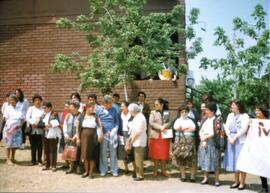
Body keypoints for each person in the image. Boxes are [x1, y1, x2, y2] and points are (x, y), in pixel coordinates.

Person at [237, 105, 269, 193]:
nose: (256, 112)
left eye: (258, 111)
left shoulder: (268, 122)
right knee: (262, 167)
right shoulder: (254, 122)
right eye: (256, 111)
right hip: (260, 148)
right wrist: (250, 124)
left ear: (263, 111)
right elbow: (250, 134)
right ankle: (264, 187)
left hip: (267, 147)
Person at [223, 100, 249, 190]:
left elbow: (244, 129)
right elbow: (226, 127)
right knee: (234, 161)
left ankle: (242, 182)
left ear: (238, 106)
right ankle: (236, 181)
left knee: (241, 161)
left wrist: (235, 137)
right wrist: (230, 137)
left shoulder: (244, 115)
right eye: (232, 105)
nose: (232, 106)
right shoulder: (230, 115)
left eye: (233, 105)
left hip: (240, 140)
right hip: (231, 140)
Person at [198, 102, 221, 186]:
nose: (205, 111)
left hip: (213, 142)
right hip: (203, 142)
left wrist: (205, 138)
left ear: (212, 111)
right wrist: (203, 139)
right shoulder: (204, 119)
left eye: (207, 110)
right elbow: (200, 130)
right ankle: (205, 178)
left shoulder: (217, 120)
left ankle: (217, 180)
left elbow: (216, 132)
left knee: (215, 161)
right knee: (205, 160)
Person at [77, 103, 102, 178]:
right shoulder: (82, 115)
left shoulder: (96, 115)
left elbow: (100, 126)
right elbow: (77, 128)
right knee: (85, 155)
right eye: (91, 108)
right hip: (83, 136)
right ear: (87, 108)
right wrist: (78, 138)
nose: (93, 109)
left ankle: (91, 172)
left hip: (93, 136)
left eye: (93, 108)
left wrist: (100, 135)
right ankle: (86, 171)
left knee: (92, 155)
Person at [148, 98, 172, 177]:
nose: (155, 106)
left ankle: (163, 171)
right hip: (156, 136)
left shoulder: (167, 112)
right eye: (154, 104)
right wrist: (160, 127)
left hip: (165, 136)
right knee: (155, 154)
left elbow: (170, 121)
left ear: (162, 104)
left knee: (164, 154)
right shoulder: (152, 112)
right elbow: (151, 123)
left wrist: (165, 126)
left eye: (157, 104)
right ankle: (155, 171)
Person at [173, 104, 197, 182]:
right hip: (180, 142)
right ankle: (183, 176)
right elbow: (176, 127)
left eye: (186, 111)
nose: (184, 113)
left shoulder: (191, 120)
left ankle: (192, 177)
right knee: (181, 158)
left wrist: (183, 128)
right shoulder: (178, 120)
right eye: (182, 111)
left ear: (188, 112)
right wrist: (187, 128)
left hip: (190, 142)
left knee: (192, 159)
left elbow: (194, 128)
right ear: (180, 112)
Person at [99, 95, 119, 177]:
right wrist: (102, 131)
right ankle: (104, 169)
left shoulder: (114, 110)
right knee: (103, 152)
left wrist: (113, 131)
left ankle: (114, 170)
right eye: (109, 103)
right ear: (105, 103)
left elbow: (117, 123)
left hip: (112, 134)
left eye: (111, 103)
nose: (111, 105)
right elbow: (98, 122)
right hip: (103, 134)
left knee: (113, 152)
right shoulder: (100, 110)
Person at [127, 103, 147, 181]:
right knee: (136, 158)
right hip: (136, 139)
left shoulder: (140, 117)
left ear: (133, 110)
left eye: (130, 111)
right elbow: (133, 129)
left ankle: (140, 175)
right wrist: (130, 138)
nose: (130, 113)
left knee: (138, 158)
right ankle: (137, 173)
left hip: (139, 140)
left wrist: (132, 140)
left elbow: (138, 131)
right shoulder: (137, 116)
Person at [3, 94, 24, 165]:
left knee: (14, 144)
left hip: (17, 128)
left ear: (16, 101)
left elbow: (22, 119)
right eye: (11, 100)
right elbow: (5, 118)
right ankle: (7, 159)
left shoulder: (19, 109)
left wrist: (20, 124)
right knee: (8, 143)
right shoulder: (7, 108)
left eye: (14, 100)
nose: (12, 101)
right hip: (9, 128)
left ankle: (13, 158)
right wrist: (10, 126)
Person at [40, 102, 61, 171]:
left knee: (53, 150)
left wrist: (49, 126)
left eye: (45, 108)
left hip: (53, 134)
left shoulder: (54, 114)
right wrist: (43, 127)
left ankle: (54, 165)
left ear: (50, 108)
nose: (44, 109)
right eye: (43, 108)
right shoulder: (43, 115)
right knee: (46, 150)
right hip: (45, 134)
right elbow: (40, 124)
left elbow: (57, 123)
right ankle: (47, 165)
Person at [63, 101, 81, 174]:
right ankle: (71, 167)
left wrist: (76, 136)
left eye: (71, 106)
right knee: (70, 152)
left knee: (78, 152)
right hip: (68, 137)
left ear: (76, 108)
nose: (69, 108)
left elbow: (80, 127)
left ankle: (78, 167)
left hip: (77, 137)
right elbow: (64, 125)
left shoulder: (81, 115)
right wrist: (66, 134)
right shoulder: (68, 115)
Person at [117, 101, 135, 175]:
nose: (121, 108)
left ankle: (135, 169)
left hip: (130, 135)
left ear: (127, 107)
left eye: (123, 106)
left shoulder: (131, 115)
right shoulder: (119, 115)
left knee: (131, 151)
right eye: (121, 106)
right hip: (121, 135)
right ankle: (126, 169)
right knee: (123, 152)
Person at [26, 94, 44, 166]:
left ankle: (39, 160)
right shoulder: (31, 108)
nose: (37, 102)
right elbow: (27, 117)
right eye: (36, 100)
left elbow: (43, 119)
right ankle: (33, 160)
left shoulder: (42, 110)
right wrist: (33, 123)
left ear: (41, 101)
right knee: (33, 146)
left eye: (39, 100)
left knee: (40, 146)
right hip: (32, 130)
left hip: (40, 130)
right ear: (33, 102)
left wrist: (38, 125)